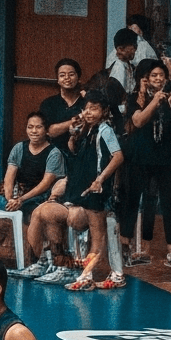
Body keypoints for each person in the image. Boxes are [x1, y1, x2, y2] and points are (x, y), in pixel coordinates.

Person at [46, 89, 126, 291]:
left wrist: (100, 179)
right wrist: (73, 136)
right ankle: (94, 274)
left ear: (104, 111)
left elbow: (118, 156)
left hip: (98, 190)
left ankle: (90, 276)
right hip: (85, 189)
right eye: (86, 108)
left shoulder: (105, 130)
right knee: (87, 230)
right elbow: (76, 153)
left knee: (98, 236)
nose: (89, 112)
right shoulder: (88, 130)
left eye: (94, 108)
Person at [126, 58, 171, 267]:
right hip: (142, 158)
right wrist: (154, 101)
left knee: (170, 203)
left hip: (168, 158)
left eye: (162, 75)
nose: (159, 78)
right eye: (154, 75)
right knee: (143, 201)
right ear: (145, 78)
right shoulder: (135, 97)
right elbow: (138, 121)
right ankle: (141, 248)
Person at [0, 112, 63, 273]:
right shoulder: (19, 148)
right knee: (0, 204)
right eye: (30, 127)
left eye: (38, 127)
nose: (34, 131)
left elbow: (45, 184)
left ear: (46, 130)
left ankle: (36, 258)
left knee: (35, 213)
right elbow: (9, 177)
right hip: (18, 194)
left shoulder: (54, 153)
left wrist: (21, 200)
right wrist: (10, 199)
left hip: (39, 196)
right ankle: (7, 256)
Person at [38, 59, 85, 133]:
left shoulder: (86, 101)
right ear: (58, 80)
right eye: (62, 75)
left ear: (78, 78)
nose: (67, 78)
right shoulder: (49, 103)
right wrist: (75, 121)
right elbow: (48, 132)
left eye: (71, 74)